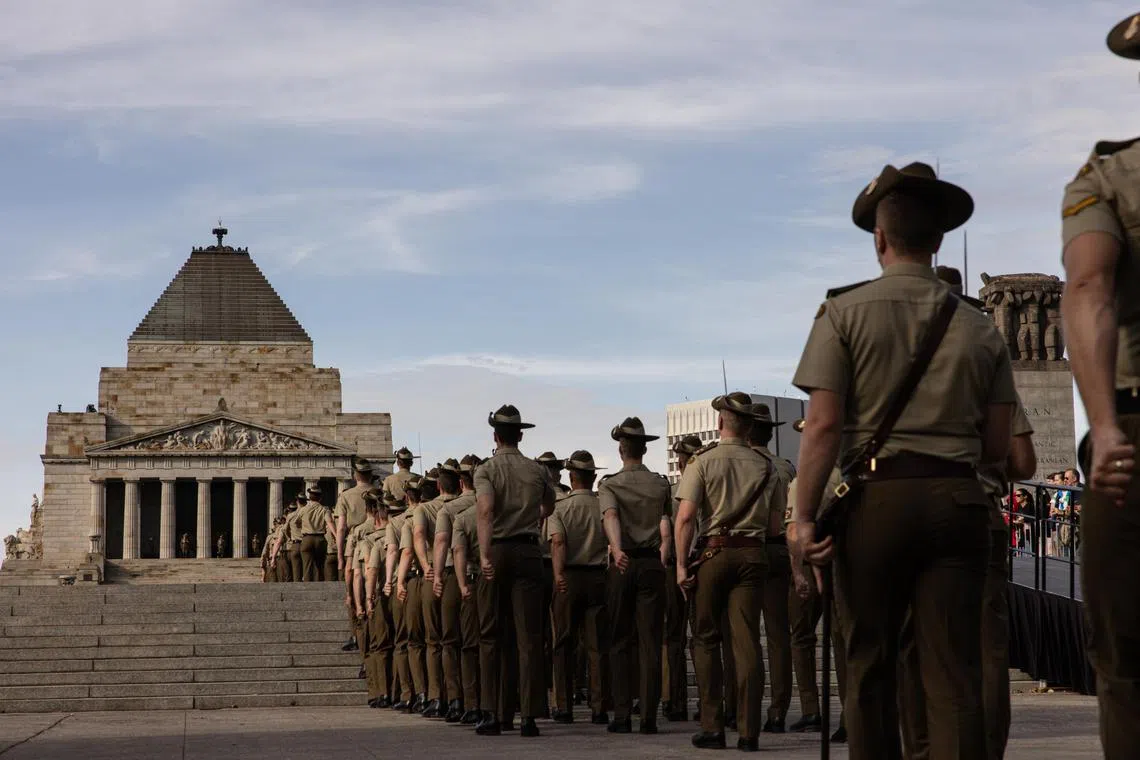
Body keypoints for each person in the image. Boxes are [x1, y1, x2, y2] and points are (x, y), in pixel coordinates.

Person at [791, 162, 1016, 760]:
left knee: (869, 665)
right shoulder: (981, 328)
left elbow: (824, 425)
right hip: (959, 502)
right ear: (939, 239)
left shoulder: (842, 313)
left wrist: (802, 519)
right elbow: (998, 446)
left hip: (874, 502)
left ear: (879, 238)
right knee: (954, 672)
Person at [896, 265, 1040, 760]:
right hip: (976, 513)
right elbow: (1023, 461)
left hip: (907, 513)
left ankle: (919, 749)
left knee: (914, 643)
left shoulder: (894, 371)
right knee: (985, 648)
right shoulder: (985, 365)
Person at [1059, 17, 1140, 754]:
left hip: (1135, 443)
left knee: (1125, 655)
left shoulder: (1106, 179)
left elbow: (1088, 287)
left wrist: (1106, 423)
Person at [674, 392, 774, 752]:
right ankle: (749, 731)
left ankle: (713, 727)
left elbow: (685, 517)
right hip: (753, 554)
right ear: (749, 426)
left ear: (720, 423)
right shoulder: (766, 467)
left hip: (714, 555)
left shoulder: (702, 462)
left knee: (704, 639)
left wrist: (682, 564)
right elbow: (776, 522)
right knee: (747, 642)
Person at [473, 404, 556, 737]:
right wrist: (532, 515)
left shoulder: (487, 470)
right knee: (528, 637)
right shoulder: (538, 471)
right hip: (529, 551)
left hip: (499, 549)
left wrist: (484, 554)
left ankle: (494, 713)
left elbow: (485, 511)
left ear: (495, 435)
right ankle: (529, 717)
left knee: (492, 636)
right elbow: (549, 505)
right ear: (521, 435)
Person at [600, 416, 672, 736]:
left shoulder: (610, 484)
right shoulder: (660, 483)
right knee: (650, 643)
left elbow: (611, 515)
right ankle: (649, 717)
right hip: (652, 564)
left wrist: (617, 550)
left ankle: (621, 715)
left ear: (621, 449)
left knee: (619, 641)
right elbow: (665, 525)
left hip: (624, 563)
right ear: (644, 449)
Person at [546, 450, 611, 725]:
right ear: (593, 477)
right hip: (598, 576)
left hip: (569, 578)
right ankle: (599, 707)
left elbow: (558, 542)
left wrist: (558, 573)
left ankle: (564, 705)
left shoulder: (559, 508)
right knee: (597, 646)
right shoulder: (603, 506)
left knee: (563, 644)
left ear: (571, 478)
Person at [745, 403, 796, 734]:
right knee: (779, 636)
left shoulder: (741, 464)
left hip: (747, 549)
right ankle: (778, 710)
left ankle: (743, 706)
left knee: (744, 635)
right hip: (779, 550)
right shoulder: (785, 468)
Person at [411, 461, 462, 718]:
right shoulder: (467, 505)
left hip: (433, 573)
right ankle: (459, 698)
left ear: (438, 485)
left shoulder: (425, 509)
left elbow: (419, 537)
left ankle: (436, 697)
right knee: (459, 640)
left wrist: (426, 566)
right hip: (464, 576)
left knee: (434, 641)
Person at [665, 434, 702, 723]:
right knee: (707, 638)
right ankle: (711, 701)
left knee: (676, 636)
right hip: (706, 561)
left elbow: (667, 532)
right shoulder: (712, 486)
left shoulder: (674, 492)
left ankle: (677, 703)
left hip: (679, 565)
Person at [450, 461, 487, 725]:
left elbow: (457, 551)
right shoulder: (503, 513)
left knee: (470, 645)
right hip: (499, 580)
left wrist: (462, 584)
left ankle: (473, 703)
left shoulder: (458, 515)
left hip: (473, 582)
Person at [536, 451, 570, 718]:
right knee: (560, 635)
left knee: (538, 637)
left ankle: (541, 698)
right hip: (563, 567)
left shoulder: (535, 500)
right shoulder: (566, 499)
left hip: (541, 566)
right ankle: (560, 698)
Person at [337, 460, 375, 651]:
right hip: (379, 540)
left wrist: (340, 555)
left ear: (355, 475)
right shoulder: (380, 493)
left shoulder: (346, 496)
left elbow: (342, 527)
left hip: (355, 545)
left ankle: (357, 634)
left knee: (353, 591)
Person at [297, 484, 334, 582]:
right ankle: (319, 586)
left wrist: (304, 526)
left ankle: (307, 587)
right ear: (320, 498)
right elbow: (330, 523)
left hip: (307, 539)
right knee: (320, 566)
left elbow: (296, 522)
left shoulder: (303, 510)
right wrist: (336, 536)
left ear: (309, 497)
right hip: (320, 539)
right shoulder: (324, 510)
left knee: (307, 566)